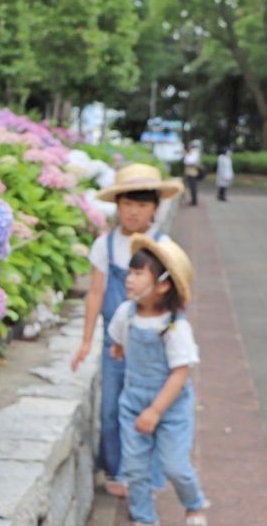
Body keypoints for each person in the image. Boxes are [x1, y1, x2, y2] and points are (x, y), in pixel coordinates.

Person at [71, 163, 184, 496]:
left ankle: (137, 474)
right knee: (110, 408)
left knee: (143, 407)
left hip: (150, 345)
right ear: (117, 206)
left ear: (155, 208)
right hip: (114, 341)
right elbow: (95, 293)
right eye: (127, 204)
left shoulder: (162, 247)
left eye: (142, 205)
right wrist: (86, 339)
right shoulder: (105, 245)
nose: (134, 212)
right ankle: (114, 467)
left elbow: (176, 295)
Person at [108, 234, 208, 526]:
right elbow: (119, 340)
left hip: (171, 407)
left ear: (163, 285)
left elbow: (180, 372)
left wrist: (155, 410)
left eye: (139, 273)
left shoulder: (174, 327)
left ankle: (194, 504)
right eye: (130, 271)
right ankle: (144, 517)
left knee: (175, 466)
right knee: (135, 469)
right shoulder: (125, 313)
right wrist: (119, 348)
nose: (130, 279)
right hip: (133, 402)